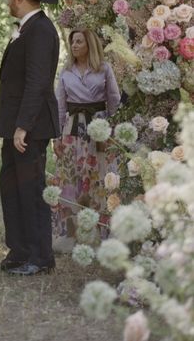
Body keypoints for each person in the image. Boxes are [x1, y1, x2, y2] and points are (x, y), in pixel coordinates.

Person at [0, 0, 60, 276]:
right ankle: (18, 251)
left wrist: (23, 126)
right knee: (11, 189)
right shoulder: (26, 29)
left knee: (31, 191)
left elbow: (38, 82)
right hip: (14, 126)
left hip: (29, 128)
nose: (8, 1)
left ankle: (40, 257)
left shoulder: (41, 30)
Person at [53, 28, 121, 251]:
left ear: (89, 45)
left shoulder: (104, 69)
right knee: (69, 180)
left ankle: (103, 233)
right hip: (72, 131)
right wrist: (56, 137)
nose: (74, 45)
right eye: (73, 42)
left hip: (99, 129)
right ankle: (69, 234)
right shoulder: (65, 72)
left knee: (99, 179)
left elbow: (114, 100)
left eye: (79, 41)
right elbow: (60, 106)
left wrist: (110, 130)